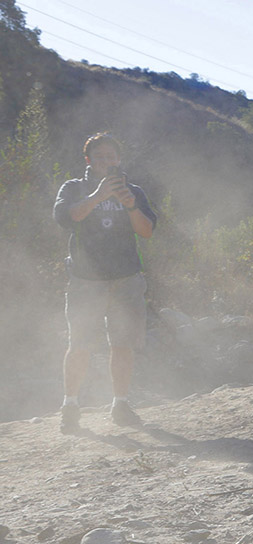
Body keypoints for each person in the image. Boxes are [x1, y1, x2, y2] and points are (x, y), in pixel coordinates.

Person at [53, 132, 157, 433]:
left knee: (123, 344)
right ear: (88, 160)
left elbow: (147, 231)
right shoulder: (74, 188)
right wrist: (99, 195)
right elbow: (65, 218)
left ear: (119, 160)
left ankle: (120, 404)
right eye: (100, 156)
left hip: (126, 279)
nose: (106, 161)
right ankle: (70, 406)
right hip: (86, 280)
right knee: (80, 344)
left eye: (111, 156)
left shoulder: (133, 190)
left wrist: (131, 206)